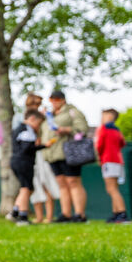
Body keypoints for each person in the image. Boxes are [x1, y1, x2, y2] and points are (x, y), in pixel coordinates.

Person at [40, 91, 89, 222]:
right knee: (61, 183)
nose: (54, 102)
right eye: (51, 99)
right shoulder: (48, 115)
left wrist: (66, 130)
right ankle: (66, 214)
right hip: (52, 154)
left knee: (73, 181)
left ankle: (79, 214)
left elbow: (82, 129)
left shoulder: (72, 112)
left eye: (57, 99)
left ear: (63, 100)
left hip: (69, 152)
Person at [9, 110, 48, 225]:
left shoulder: (18, 129)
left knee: (28, 188)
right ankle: (23, 216)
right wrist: (43, 146)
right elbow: (26, 149)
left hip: (17, 161)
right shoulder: (26, 130)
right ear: (32, 119)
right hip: (24, 162)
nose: (38, 126)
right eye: (38, 123)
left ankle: (15, 212)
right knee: (26, 188)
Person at [96, 109, 130, 224]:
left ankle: (122, 213)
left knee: (111, 188)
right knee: (113, 188)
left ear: (110, 116)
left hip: (108, 160)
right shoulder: (117, 130)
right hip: (118, 161)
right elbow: (123, 143)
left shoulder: (103, 128)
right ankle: (116, 214)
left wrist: (99, 158)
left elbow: (99, 145)